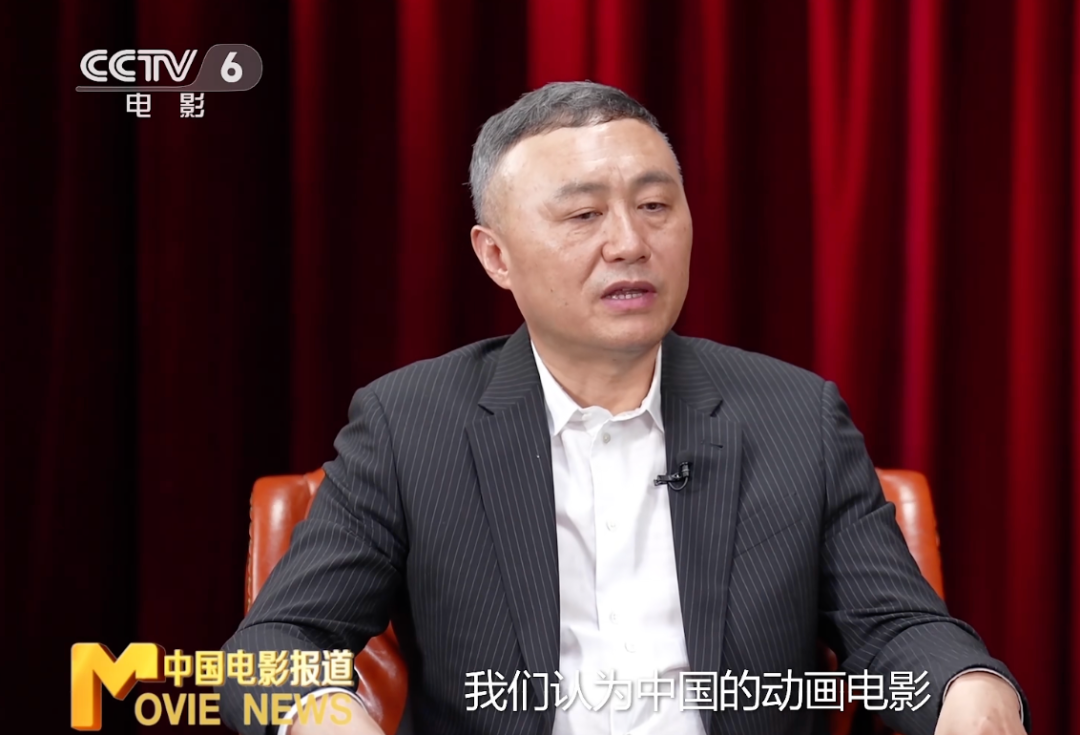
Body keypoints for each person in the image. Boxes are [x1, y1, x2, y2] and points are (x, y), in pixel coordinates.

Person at [218, 81, 1029, 735]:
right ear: (496, 256)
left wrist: (969, 688)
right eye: (583, 215)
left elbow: (897, 626)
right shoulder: (411, 424)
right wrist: (326, 716)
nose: (631, 243)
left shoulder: (794, 416)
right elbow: (274, 646)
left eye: (655, 206)